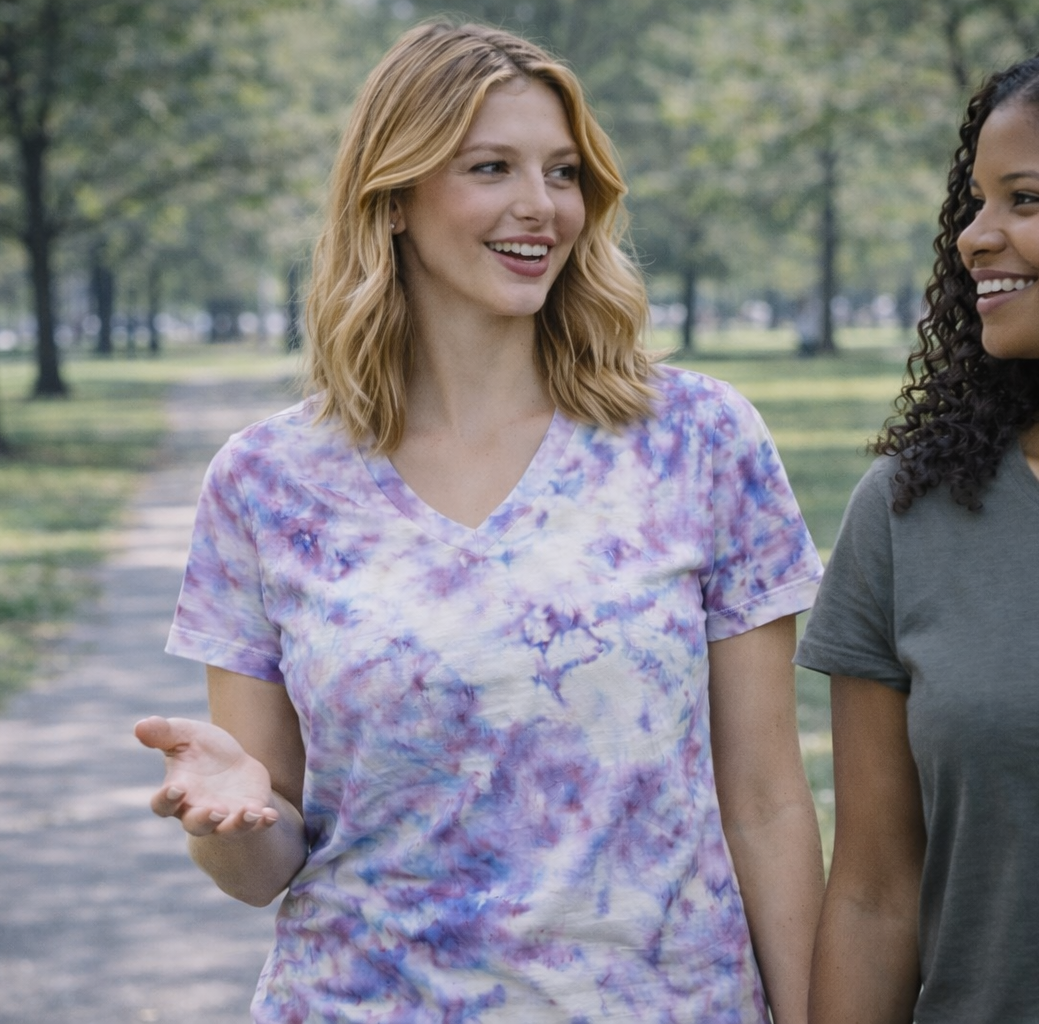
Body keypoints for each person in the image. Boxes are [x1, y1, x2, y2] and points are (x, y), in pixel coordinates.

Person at [136, 20, 824, 1024]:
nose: (539, 206)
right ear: (397, 197)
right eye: (490, 167)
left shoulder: (696, 441)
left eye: (561, 172)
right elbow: (262, 861)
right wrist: (229, 817)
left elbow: (765, 800)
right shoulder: (267, 481)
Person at [796, 53, 1039, 1024]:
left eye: (1020, 198)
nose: (975, 237)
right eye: (974, 202)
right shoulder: (909, 508)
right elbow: (872, 890)